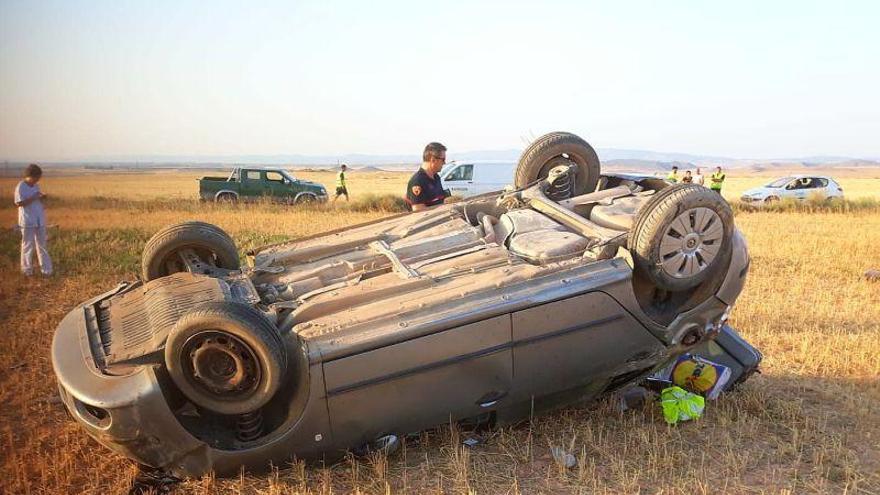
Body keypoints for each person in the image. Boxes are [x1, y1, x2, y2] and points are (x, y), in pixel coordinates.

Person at [14, 164, 53, 277]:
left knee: (42, 245)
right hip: (27, 221)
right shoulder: (20, 186)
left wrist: (41, 197)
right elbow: (18, 203)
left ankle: (47, 271)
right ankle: (27, 271)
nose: (38, 180)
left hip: (39, 219)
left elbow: (36, 197)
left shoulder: (36, 186)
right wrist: (35, 197)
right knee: (27, 246)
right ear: (30, 175)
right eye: (36, 177)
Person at [406, 142, 449, 211]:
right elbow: (419, 211)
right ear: (433, 160)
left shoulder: (436, 177)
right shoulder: (417, 181)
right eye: (443, 159)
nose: (444, 163)